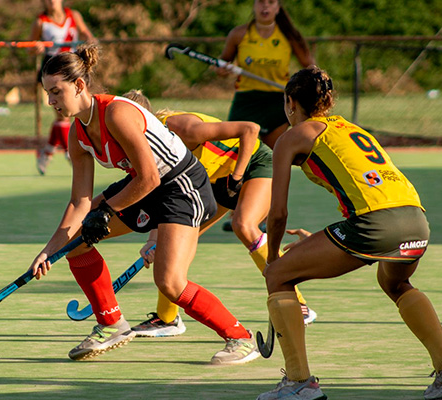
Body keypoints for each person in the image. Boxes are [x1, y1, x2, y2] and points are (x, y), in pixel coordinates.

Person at [29, 44, 260, 365]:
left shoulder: (117, 113)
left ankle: (240, 337)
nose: (51, 101)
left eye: (56, 92)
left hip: (183, 185)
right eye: (47, 94)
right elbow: (79, 201)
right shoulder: (77, 134)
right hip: (145, 186)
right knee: (76, 244)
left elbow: (150, 177)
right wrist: (50, 249)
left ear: (79, 85)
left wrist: (106, 212)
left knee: (170, 282)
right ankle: (111, 323)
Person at [256, 65, 442, 400]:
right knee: (395, 282)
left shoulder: (292, 136)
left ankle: (299, 383)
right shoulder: (350, 128)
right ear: (327, 101)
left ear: (290, 103)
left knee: (280, 276)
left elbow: (278, 213)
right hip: (417, 220)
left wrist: (272, 261)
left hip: (374, 225)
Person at [121, 90, 317, 340]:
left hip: (254, 163)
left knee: (244, 225)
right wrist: (153, 240)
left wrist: (236, 177)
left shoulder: (181, 127)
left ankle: (296, 305)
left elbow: (250, 129)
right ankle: (167, 318)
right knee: (172, 242)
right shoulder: (144, 147)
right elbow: (164, 197)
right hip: (213, 180)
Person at [217, 0, 314, 232]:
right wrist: (224, 68)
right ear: (254, 5)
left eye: (271, 2)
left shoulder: (288, 36)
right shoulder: (240, 34)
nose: (265, 7)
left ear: (278, 7)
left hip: (277, 101)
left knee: (274, 159)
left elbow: (309, 66)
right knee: (238, 156)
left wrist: (301, 86)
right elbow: (221, 66)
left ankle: (270, 215)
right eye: (261, 2)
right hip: (246, 101)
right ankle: (237, 212)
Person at [29, 0, 94, 175]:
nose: (51, 2)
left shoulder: (74, 15)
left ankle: (48, 152)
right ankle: (70, 153)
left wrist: (89, 44)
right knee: (63, 115)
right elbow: (31, 47)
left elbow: (86, 34)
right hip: (52, 72)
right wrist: (37, 47)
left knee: (66, 117)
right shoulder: (40, 21)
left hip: (71, 69)